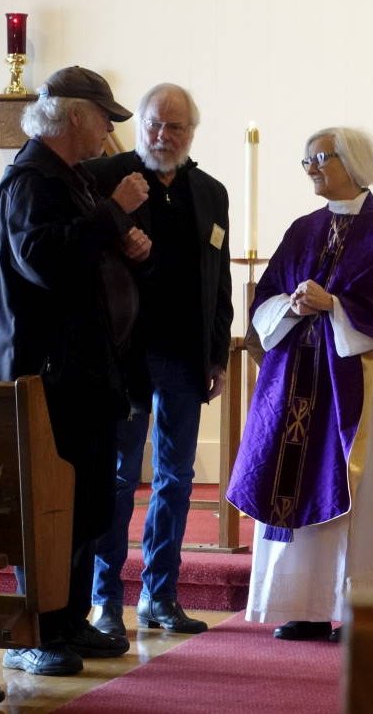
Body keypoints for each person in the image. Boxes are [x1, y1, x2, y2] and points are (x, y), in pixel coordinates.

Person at [226, 127, 373, 643]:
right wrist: (291, 306)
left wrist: (335, 305)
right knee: (292, 480)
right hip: (294, 383)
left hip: (361, 382)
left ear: (352, 161)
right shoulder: (303, 229)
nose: (312, 169)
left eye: (321, 158)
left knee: (364, 489)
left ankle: (365, 609)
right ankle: (304, 606)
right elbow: (267, 298)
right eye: (306, 161)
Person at [0, 66, 151, 676]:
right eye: (104, 121)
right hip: (47, 376)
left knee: (85, 501)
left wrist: (128, 247)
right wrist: (113, 214)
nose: (109, 134)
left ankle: (67, 621)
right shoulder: (30, 181)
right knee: (45, 505)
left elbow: (86, 258)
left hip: (87, 372)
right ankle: (36, 631)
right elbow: (43, 262)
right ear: (76, 116)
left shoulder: (73, 180)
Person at [88, 83, 233, 637]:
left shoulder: (211, 192)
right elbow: (80, 254)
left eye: (174, 127)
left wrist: (217, 354)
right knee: (119, 477)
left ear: (191, 132)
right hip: (121, 354)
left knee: (176, 477)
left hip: (183, 355)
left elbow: (219, 280)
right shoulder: (108, 178)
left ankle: (160, 595)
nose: (161, 135)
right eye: (153, 123)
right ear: (140, 123)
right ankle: (105, 602)